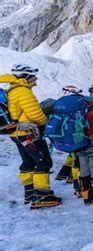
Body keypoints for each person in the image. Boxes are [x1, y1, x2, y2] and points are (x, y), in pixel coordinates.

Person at [1, 64, 62, 208]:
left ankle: (29, 193)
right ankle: (42, 195)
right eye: (33, 76)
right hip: (27, 133)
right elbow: (35, 114)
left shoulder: (11, 89)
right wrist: (47, 123)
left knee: (28, 161)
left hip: (15, 133)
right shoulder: (23, 91)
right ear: (25, 76)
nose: (35, 78)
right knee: (44, 161)